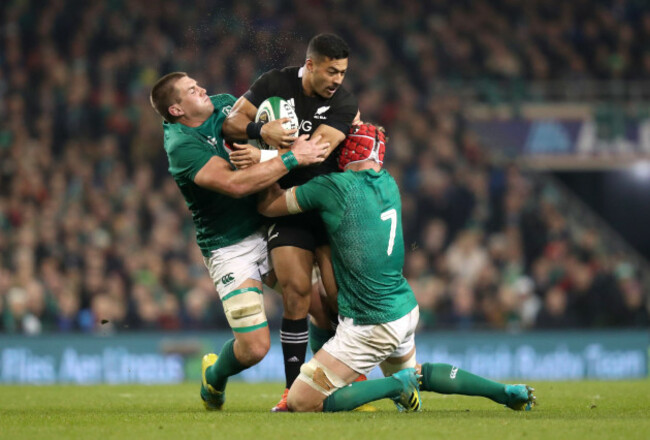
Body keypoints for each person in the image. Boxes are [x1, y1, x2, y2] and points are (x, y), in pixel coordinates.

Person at [256, 123, 537, 412]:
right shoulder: (389, 183)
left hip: (370, 321)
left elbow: (269, 206)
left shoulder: (333, 188)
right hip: (402, 307)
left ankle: (396, 386)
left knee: (303, 401)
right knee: (416, 371)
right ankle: (503, 391)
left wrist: (274, 161)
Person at [149, 72, 329, 411]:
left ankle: (316, 389)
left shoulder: (222, 105)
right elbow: (235, 185)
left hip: (268, 221)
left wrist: (264, 136)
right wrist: (291, 157)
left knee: (319, 305)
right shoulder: (181, 147)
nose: (201, 87)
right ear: (176, 110)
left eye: (196, 82)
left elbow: (256, 123)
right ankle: (214, 376)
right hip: (229, 246)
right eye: (191, 89)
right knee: (254, 349)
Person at [222, 33, 359, 411]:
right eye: (332, 71)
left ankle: (342, 384)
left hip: (330, 211)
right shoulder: (273, 83)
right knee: (297, 292)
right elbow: (231, 124)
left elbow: (316, 151)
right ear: (311, 65)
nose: (338, 80)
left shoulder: (345, 103)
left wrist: (263, 153)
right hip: (285, 205)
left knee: (338, 302)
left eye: (343, 72)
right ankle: (293, 390)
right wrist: (260, 131)